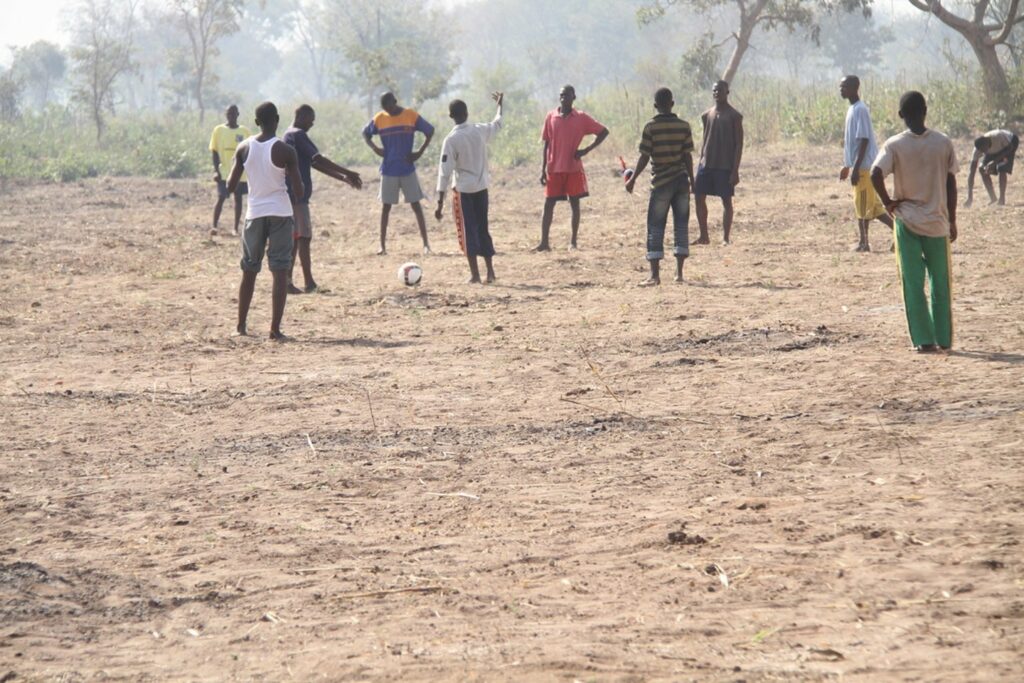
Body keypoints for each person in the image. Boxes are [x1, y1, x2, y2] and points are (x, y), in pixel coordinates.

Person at [871, 91, 958, 354]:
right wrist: (952, 219)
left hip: (906, 221)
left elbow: (875, 173)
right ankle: (943, 338)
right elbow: (951, 182)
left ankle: (923, 340)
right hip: (937, 222)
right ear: (926, 110)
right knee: (940, 282)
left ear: (901, 115)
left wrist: (888, 202)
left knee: (912, 281)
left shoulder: (894, 145)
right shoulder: (943, 143)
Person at [225, 101, 304, 341]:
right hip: (280, 213)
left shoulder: (243, 148)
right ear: (277, 119)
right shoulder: (285, 150)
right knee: (280, 271)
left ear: (257, 122)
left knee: (249, 270)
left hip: (254, 213)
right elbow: (299, 191)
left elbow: (230, 185)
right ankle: (274, 330)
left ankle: (240, 326)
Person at [283, 104, 363, 294]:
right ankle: (302, 282)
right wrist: (347, 171)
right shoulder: (297, 134)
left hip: (294, 194)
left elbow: (313, 163)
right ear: (301, 116)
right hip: (298, 196)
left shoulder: (289, 134)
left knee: (297, 237)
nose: (312, 123)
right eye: (310, 118)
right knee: (301, 238)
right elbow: (318, 159)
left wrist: (343, 178)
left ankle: (296, 281)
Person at [625, 87, 694, 285]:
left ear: (655, 106)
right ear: (672, 103)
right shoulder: (684, 126)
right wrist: (693, 180)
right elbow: (687, 156)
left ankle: (655, 276)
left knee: (655, 226)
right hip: (681, 180)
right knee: (681, 225)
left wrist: (632, 179)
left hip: (661, 183)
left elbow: (645, 156)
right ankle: (679, 274)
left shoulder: (650, 128)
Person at [435, 92, 504, 284]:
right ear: (466, 112)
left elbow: (444, 172)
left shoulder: (451, 140)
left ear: (451, 116)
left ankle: (475, 274)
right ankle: (490, 272)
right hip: (482, 188)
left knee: (468, 231)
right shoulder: (479, 130)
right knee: (483, 228)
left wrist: (439, 203)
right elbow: (497, 123)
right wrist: (500, 106)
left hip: (464, 191)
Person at [536, 85, 609, 251]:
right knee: (548, 204)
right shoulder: (551, 116)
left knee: (574, 203)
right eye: (561, 95)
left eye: (567, 95)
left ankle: (573, 242)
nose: (564, 98)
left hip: (573, 167)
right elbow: (546, 143)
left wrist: (586, 150)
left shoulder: (581, 117)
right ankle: (544, 242)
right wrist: (543, 168)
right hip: (554, 167)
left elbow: (603, 132)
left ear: (573, 97)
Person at [362, 92, 434, 255]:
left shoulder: (410, 115)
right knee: (386, 207)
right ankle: (382, 246)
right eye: (385, 108)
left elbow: (430, 131)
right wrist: (375, 148)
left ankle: (426, 244)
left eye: (390, 106)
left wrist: (420, 152)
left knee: (416, 204)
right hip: (388, 169)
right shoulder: (380, 118)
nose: (389, 110)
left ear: (395, 101)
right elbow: (365, 133)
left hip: (407, 168)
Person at [838, 75, 894, 251]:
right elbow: (852, 143)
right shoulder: (852, 109)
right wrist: (847, 165)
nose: (841, 90)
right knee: (875, 208)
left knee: (861, 204)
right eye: (840, 87)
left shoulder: (860, 109)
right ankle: (899, 234)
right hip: (858, 165)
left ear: (855, 88)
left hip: (863, 167)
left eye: (845, 86)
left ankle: (864, 243)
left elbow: (863, 140)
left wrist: (855, 168)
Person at [693, 80, 743, 245]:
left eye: (720, 90)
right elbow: (705, 140)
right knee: (699, 197)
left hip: (724, 166)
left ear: (727, 92)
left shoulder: (734, 116)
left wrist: (735, 170)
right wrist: (700, 161)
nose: (717, 93)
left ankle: (726, 237)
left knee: (726, 201)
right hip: (706, 164)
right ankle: (704, 236)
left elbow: (738, 144)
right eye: (714, 90)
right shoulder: (706, 115)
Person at [209, 104, 251, 235]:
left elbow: (250, 151)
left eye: (234, 114)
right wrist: (216, 170)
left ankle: (235, 228)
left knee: (238, 198)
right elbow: (214, 152)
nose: (231, 116)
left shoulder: (244, 131)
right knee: (221, 197)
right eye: (229, 114)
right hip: (224, 171)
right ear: (226, 115)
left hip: (240, 172)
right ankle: (214, 226)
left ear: (238, 115)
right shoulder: (219, 130)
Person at [966, 129, 1018, 207]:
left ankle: (1002, 199)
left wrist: (995, 161)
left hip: (1010, 143)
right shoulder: (978, 150)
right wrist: (970, 196)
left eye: (984, 149)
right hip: (994, 149)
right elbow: (972, 172)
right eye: (982, 151)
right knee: (982, 169)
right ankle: (993, 198)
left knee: (1001, 168)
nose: (983, 152)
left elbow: (1010, 148)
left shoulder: (998, 136)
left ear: (987, 142)